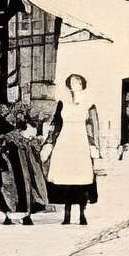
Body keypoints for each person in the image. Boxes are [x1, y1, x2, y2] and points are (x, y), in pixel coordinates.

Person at [47, 93, 102, 223]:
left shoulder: (88, 104)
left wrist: (93, 144)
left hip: (81, 145)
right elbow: (56, 123)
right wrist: (50, 141)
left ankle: (82, 214)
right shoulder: (62, 104)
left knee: (82, 183)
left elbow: (92, 126)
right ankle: (67, 215)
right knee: (67, 182)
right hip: (65, 145)